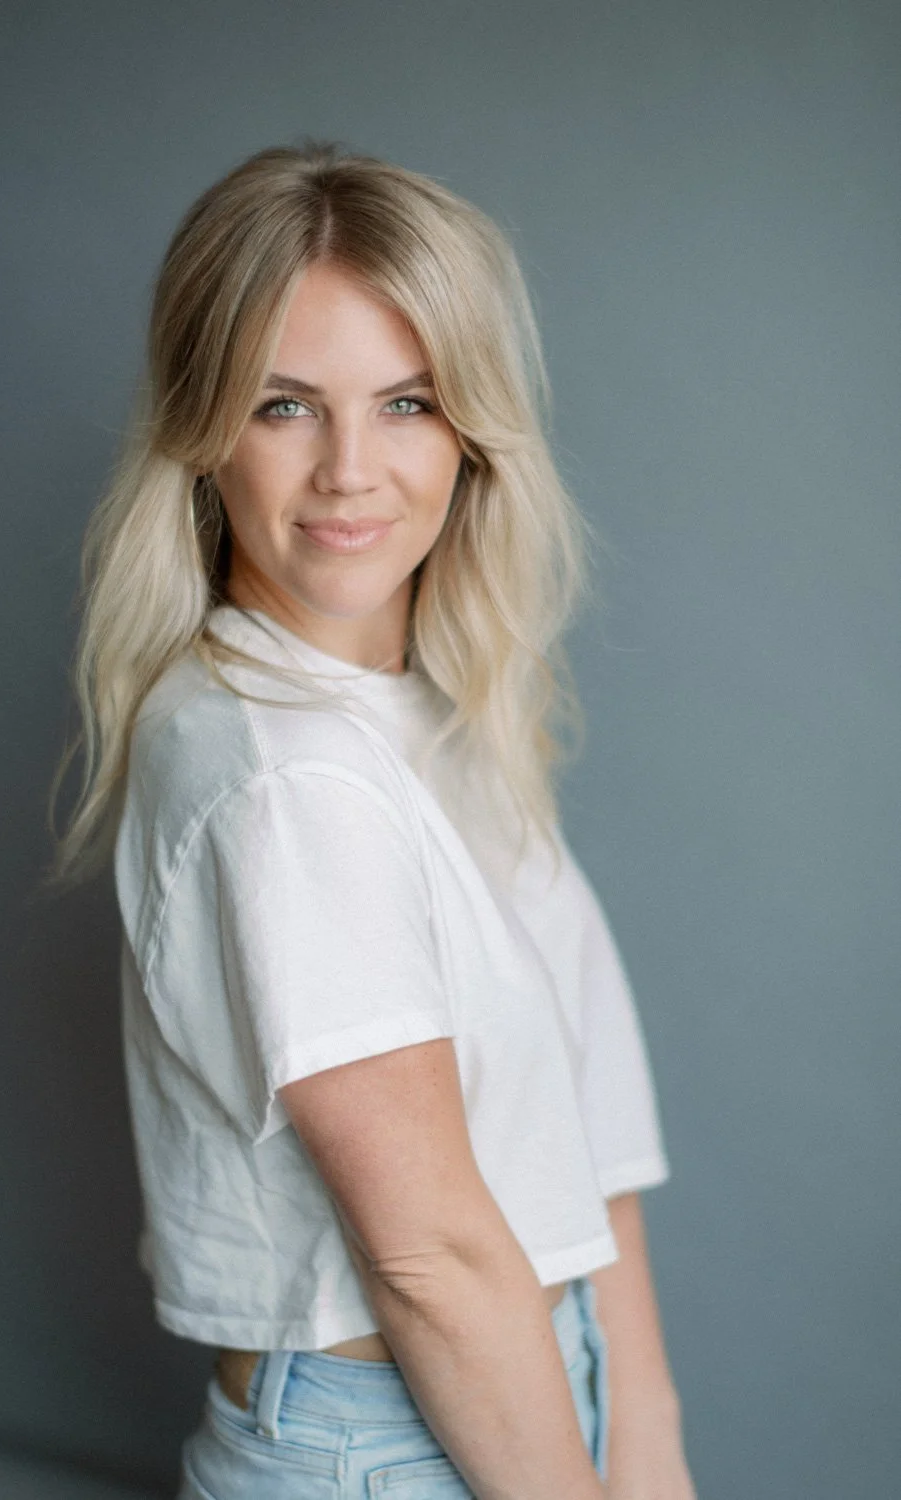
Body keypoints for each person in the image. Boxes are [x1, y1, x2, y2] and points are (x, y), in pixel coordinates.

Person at [50, 141, 697, 1500]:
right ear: (199, 430)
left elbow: (579, 1131)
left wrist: (645, 1427)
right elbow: (431, 1261)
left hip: (530, 1394)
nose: (351, 468)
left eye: (405, 402)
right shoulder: (283, 771)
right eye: (285, 406)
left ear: (471, 432)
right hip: (392, 1445)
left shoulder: (424, 717)